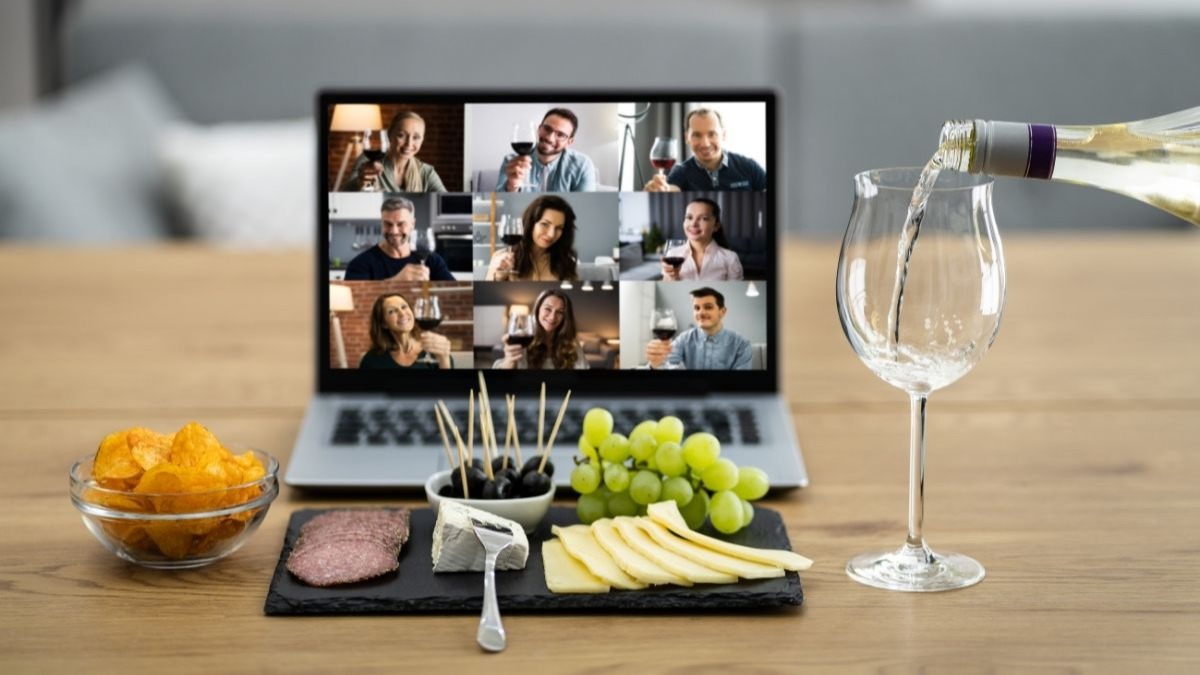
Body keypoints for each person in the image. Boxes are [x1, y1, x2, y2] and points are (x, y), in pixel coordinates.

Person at [643, 108, 767, 192]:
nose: (705, 143)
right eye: (697, 135)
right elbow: (671, 190)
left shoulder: (749, 167)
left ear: (723, 135)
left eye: (712, 134)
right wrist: (658, 190)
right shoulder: (680, 172)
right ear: (687, 138)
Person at [344, 197, 455, 281]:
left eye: (401, 224)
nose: (394, 231)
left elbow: (454, 291)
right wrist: (396, 280)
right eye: (388, 224)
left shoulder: (432, 261)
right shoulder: (359, 264)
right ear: (381, 223)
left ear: (412, 224)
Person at [645, 287, 753, 370]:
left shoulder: (742, 345)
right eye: (697, 308)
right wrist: (655, 365)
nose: (701, 313)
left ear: (722, 311)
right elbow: (668, 365)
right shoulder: (683, 340)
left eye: (708, 307)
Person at [341, 111, 448, 192]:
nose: (408, 144)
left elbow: (447, 205)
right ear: (390, 135)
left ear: (422, 140)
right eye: (401, 135)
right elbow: (344, 196)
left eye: (416, 137)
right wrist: (360, 183)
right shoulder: (368, 161)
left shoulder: (426, 173)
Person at [497, 108, 597, 192]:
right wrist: (511, 186)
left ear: (569, 142)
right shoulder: (511, 161)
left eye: (560, 135)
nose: (550, 138)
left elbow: (585, 205)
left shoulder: (582, 165)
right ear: (539, 129)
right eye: (547, 129)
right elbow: (499, 205)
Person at [485, 195, 579, 282]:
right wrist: (498, 277)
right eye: (545, 224)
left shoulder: (566, 262)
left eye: (559, 228)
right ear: (530, 224)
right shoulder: (500, 258)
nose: (551, 234)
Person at [493, 289, 588, 370]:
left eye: (559, 312)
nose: (552, 317)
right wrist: (509, 361)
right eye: (548, 309)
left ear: (565, 317)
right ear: (538, 309)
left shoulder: (571, 341)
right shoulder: (523, 336)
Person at [359, 293, 453, 369]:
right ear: (384, 323)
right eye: (392, 311)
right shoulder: (372, 360)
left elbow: (449, 390)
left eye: (404, 307)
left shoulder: (436, 350)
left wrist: (444, 360)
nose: (402, 313)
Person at [660, 197, 744, 281]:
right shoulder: (672, 254)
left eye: (704, 218)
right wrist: (671, 277)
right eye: (689, 217)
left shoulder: (731, 258)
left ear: (716, 226)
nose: (693, 224)